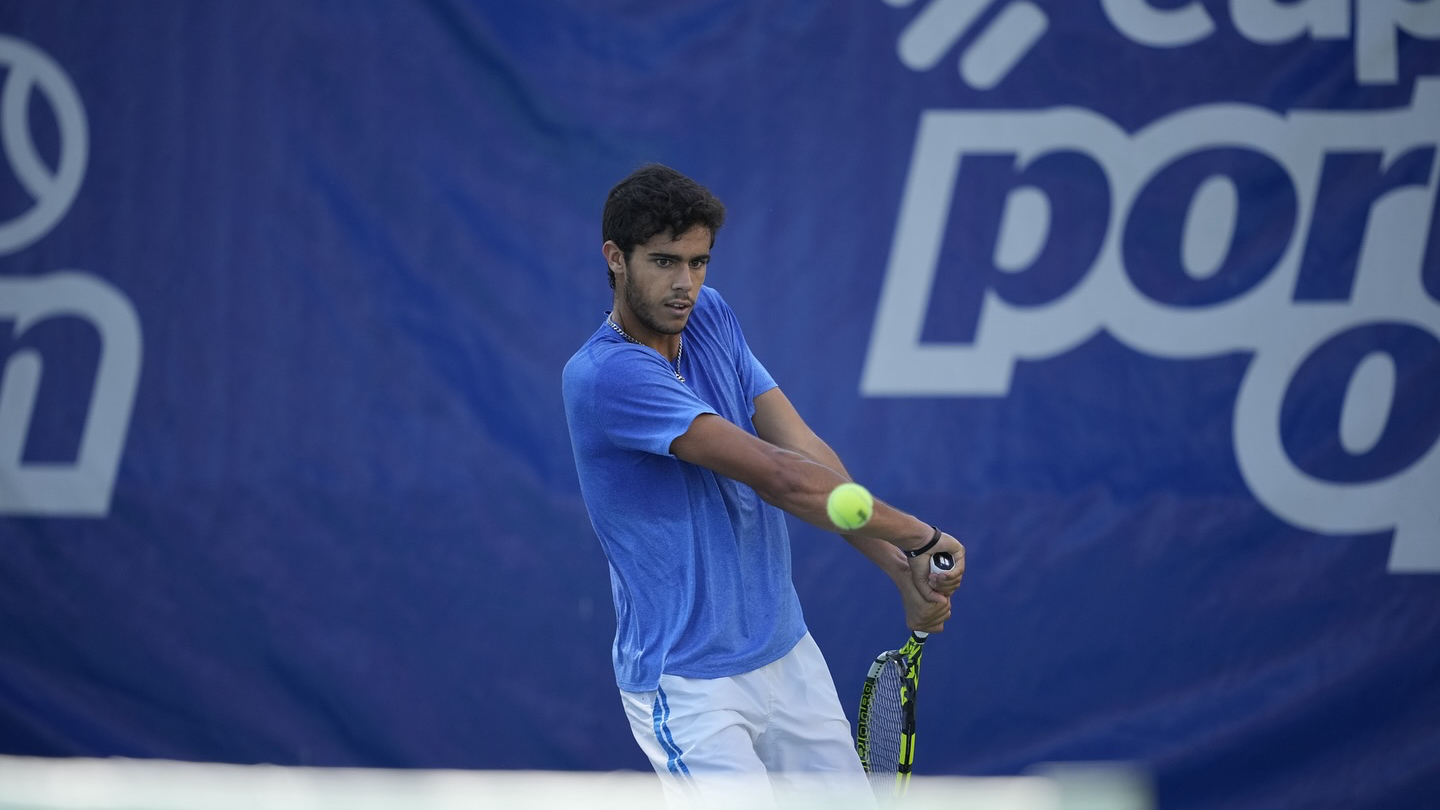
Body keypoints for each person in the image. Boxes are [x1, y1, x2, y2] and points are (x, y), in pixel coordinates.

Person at [562, 164, 965, 805]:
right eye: (665, 262)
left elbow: (802, 449)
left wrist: (894, 563)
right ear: (615, 257)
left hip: (787, 653)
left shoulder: (711, 317)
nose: (684, 284)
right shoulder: (606, 377)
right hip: (689, 684)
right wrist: (922, 536)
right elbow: (778, 477)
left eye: (698, 263)